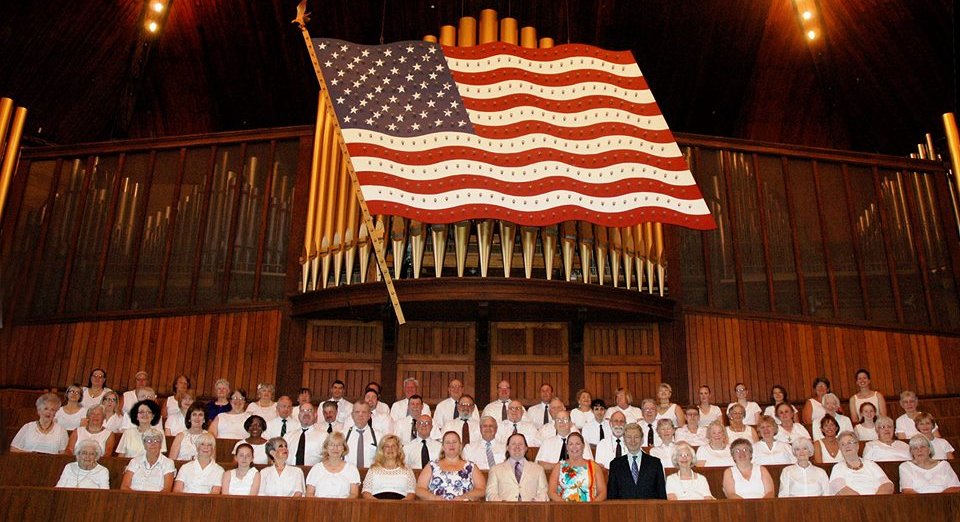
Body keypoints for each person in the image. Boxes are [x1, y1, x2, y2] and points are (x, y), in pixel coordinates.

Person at [416, 431, 487, 501]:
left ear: (460, 445)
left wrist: (465, 497)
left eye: (454, 442)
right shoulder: (432, 466)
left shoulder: (471, 466)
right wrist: (434, 498)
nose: (451, 445)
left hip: (465, 508)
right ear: (443, 447)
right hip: (437, 508)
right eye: (447, 442)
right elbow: (420, 489)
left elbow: (481, 490)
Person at [607, 423, 666, 499]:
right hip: (624, 510)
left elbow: (662, 496)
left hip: (649, 510)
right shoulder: (615, 465)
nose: (633, 441)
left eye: (636, 437)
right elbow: (611, 496)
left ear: (642, 440)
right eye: (629, 437)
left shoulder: (655, 463)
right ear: (624, 440)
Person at [486, 433, 549, 501]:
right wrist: (502, 503)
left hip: (531, 509)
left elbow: (544, 493)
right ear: (507, 448)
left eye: (520, 444)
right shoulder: (495, 470)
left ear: (526, 448)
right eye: (513, 444)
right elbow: (490, 494)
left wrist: (533, 503)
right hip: (504, 509)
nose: (517, 446)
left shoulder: (538, 469)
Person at [547, 431, 606, 502]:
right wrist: (565, 506)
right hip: (564, 509)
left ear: (583, 446)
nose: (574, 447)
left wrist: (592, 506)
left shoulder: (594, 467)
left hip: (589, 510)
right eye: (571, 444)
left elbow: (602, 493)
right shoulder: (559, 467)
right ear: (567, 448)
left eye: (577, 444)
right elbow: (551, 492)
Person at [829, 431, 893, 495]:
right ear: (840, 449)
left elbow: (887, 485)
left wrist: (874, 501)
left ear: (857, 445)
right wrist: (861, 502)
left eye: (849, 442)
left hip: (877, 501)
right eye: (843, 444)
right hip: (852, 503)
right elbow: (840, 489)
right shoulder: (838, 467)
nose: (847, 446)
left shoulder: (871, 464)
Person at [361, 434, 417, 499]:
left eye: (393, 446)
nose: (390, 449)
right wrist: (378, 504)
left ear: (398, 449)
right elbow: (366, 492)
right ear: (382, 449)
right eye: (387, 446)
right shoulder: (373, 469)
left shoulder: (407, 469)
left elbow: (411, 493)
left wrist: (400, 505)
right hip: (376, 505)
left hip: (401, 505)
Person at [306, 432, 361, 498]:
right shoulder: (316, 468)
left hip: (344, 507)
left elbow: (354, 494)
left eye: (339, 445)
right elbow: (309, 493)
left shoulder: (351, 469)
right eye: (332, 445)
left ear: (344, 448)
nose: (335, 448)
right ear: (326, 447)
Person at [344, 400, 382, 468]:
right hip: (348, 476)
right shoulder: (343, 435)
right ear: (352, 415)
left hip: (371, 475)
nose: (360, 415)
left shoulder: (379, 436)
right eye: (357, 412)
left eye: (364, 412)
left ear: (369, 415)